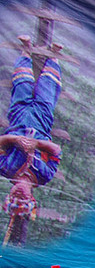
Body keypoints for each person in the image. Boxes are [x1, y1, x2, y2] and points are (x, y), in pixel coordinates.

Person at [2, 36, 63, 221]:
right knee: (47, 89)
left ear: (9, 193)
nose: (19, 193)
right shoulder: (44, 176)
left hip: (18, 119)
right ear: (32, 197)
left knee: (21, 85)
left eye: (15, 196)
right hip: (42, 122)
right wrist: (36, 143)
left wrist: (14, 140)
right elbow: (56, 152)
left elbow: (0, 143)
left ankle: (26, 50)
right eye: (23, 198)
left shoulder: (5, 169)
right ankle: (54, 56)